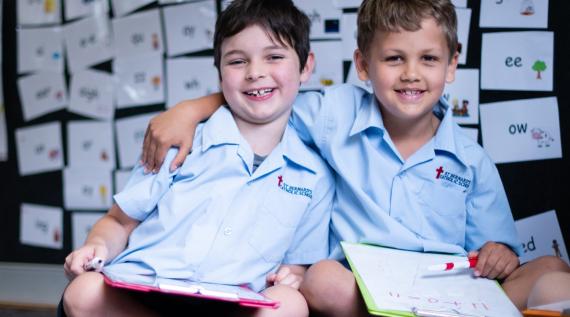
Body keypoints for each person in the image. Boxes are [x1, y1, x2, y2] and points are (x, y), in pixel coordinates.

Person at [140, 0, 570, 315]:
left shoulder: (471, 160)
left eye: (429, 59)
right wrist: (190, 109)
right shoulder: (334, 113)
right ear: (363, 65)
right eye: (394, 59)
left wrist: (499, 253)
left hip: (447, 288)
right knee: (323, 278)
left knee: (551, 268)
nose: (411, 74)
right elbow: (264, 97)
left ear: (452, 64)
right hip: (365, 288)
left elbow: (496, 251)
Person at [61, 0, 334, 316]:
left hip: (232, 303)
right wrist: (97, 246)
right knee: (83, 293)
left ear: (306, 66)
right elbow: (119, 221)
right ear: (219, 73)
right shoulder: (179, 140)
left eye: (274, 57)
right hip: (145, 290)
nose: (255, 73)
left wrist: (292, 276)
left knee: (291, 305)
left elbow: (296, 266)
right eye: (237, 61)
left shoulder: (314, 176)